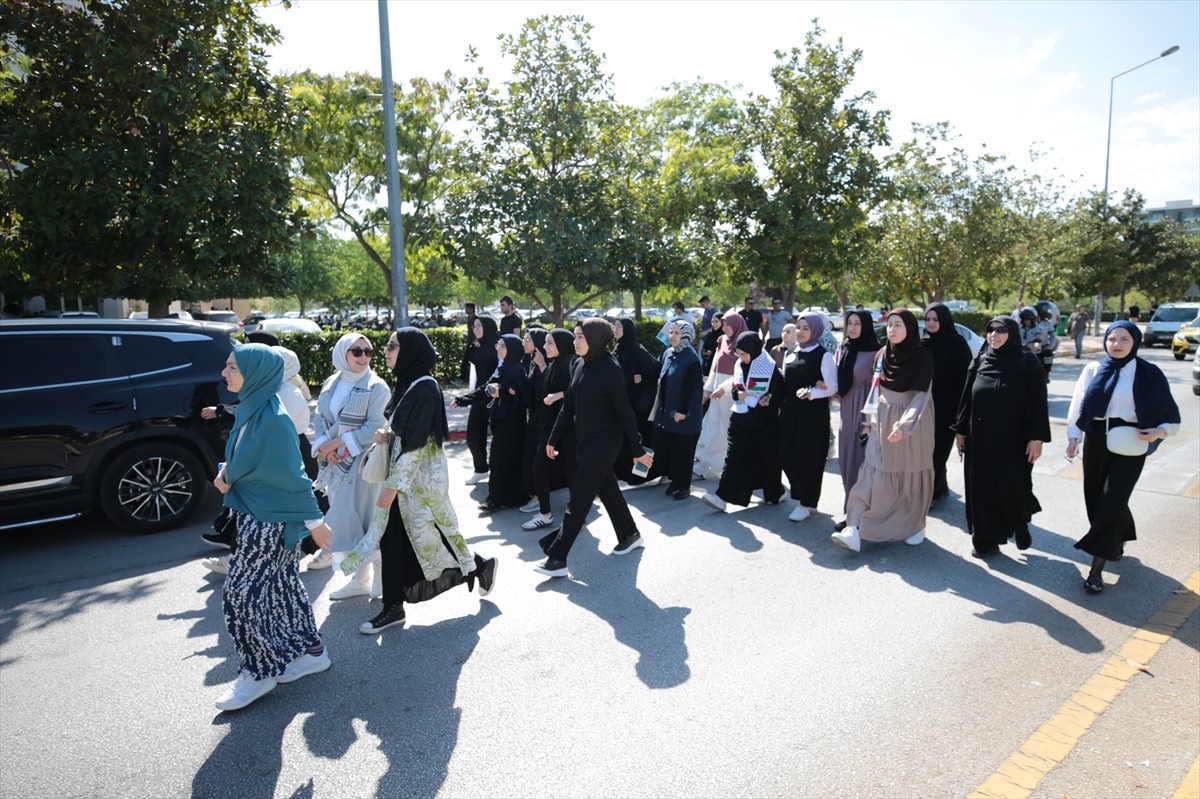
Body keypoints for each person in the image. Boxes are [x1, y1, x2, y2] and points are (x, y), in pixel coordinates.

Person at [348, 328, 497, 634]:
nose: (385, 351)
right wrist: (386, 435)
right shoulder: (408, 383)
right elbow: (404, 432)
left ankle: (479, 566)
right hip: (404, 482)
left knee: (431, 539)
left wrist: (391, 488)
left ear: (411, 351)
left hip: (419, 485)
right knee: (401, 543)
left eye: (392, 346)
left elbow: (417, 446)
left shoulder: (426, 388)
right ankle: (393, 607)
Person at [213, 344, 333, 711]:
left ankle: (260, 670)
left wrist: (316, 525)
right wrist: (227, 472)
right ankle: (313, 652)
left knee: (240, 596)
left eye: (232, 367)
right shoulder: (255, 408)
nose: (224, 372)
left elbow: (294, 477)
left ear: (257, 373)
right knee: (281, 586)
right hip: (257, 512)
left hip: (269, 520)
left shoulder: (275, 419)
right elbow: (249, 458)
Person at [1064, 321, 1180, 593]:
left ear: (1135, 342)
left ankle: (1096, 570)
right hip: (1097, 437)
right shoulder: (1093, 369)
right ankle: (1119, 534)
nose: (1117, 344)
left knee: (1113, 499)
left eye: (1124, 339)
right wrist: (1073, 437)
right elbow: (1078, 403)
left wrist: (1159, 431)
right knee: (1095, 496)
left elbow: (1170, 414)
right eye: (1112, 338)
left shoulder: (1149, 373)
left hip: (1131, 441)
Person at [536, 319, 654, 577]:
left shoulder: (610, 369)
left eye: (581, 337)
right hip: (585, 439)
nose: (576, 341)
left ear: (596, 338)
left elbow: (625, 412)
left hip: (605, 443)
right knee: (608, 489)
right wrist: (553, 439)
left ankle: (557, 557)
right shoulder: (579, 364)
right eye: (576, 336)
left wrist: (637, 449)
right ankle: (629, 533)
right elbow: (569, 407)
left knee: (578, 499)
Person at [832, 310, 935, 553]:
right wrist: (868, 420)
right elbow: (875, 390)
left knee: (908, 475)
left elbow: (922, 396)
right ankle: (854, 528)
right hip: (881, 419)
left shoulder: (922, 357)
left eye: (898, 325)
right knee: (871, 473)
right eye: (889, 325)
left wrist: (905, 425)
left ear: (909, 328)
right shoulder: (882, 355)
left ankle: (916, 525)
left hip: (912, 422)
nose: (892, 330)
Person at [953, 317, 1051, 557]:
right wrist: (960, 431)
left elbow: (1039, 403)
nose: (993, 335)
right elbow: (967, 398)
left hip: (1015, 441)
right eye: (990, 330)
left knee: (1013, 487)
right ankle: (984, 541)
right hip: (980, 439)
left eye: (1000, 330)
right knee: (981, 490)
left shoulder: (1027, 363)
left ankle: (1019, 523)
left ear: (1012, 334)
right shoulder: (980, 360)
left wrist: (1036, 438)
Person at [311, 333, 391, 599]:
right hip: (336, 466)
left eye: (368, 352)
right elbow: (320, 417)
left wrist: (337, 445)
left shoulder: (376, 386)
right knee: (344, 517)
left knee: (366, 518)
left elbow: (374, 427)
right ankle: (360, 578)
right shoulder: (331, 383)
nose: (364, 357)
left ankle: (380, 576)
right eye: (356, 351)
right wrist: (325, 444)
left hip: (363, 464)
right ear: (342, 353)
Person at [701, 331, 784, 511]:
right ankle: (721, 496)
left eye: (745, 354)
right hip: (741, 419)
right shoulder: (739, 365)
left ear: (754, 350)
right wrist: (735, 394)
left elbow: (779, 392)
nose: (742, 358)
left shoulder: (769, 367)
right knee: (734, 457)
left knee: (767, 460)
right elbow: (737, 387)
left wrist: (768, 399)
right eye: (739, 354)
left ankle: (775, 492)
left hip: (764, 423)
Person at [777, 312, 838, 522]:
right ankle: (804, 494)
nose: (801, 332)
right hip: (789, 412)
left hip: (813, 415)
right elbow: (785, 381)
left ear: (816, 330)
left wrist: (813, 392)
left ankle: (806, 502)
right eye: (799, 327)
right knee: (785, 454)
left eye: (806, 328)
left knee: (809, 459)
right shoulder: (790, 352)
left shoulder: (824, 355)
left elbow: (832, 387)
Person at [833, 309, 882, 531]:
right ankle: (850, 512)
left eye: (857, 324)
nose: (852, 328)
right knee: (846, 463)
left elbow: (879, 387)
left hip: (866, 413)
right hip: (846, 409)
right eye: (849, 323)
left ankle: (864, 516)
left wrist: (869, 421)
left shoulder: (877, 351)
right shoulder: (844, 348)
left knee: (864, 465)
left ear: (866, 326)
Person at [523, 328, 576, 531]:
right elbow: (543, 389)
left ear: (561, 344)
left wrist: (559, 395)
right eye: (544, 342)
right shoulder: (553, 364)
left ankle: (577, 511)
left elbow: (577, 388)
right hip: (549, 424)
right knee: (539, 466)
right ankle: (545, 513)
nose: (544, 347)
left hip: (566, 425)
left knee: (572, 468)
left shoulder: (572, 363)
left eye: (549, 343)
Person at [923, 303, 973, 501]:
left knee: (937, 452)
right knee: (926, 451)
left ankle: (933, 492)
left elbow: (966, 379)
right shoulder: (923, 343)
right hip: (925, 406)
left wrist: (963, 414)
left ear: (944, 320)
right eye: (928, 319)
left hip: (948, 409)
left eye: (935, 319)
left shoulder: (956, 343)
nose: (931, 323)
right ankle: (939, 487)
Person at [649, 320, 703, 500]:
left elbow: (692, 389)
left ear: (686, 336)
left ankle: (683, 486)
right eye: (671, 332)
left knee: (683, 452)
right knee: (664, 446)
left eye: (676, 333)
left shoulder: (691, 358)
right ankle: (674, 479)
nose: (671, 336)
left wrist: (682, 411)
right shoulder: (669, 353)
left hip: (683, 414)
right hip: (666, 412)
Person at [478, 333, 530, 512]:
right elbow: (489, 386)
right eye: (498, 345)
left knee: (502, 459)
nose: (498, 349)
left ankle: (497, 499)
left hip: (513, 422)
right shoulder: (503, 367)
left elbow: (523, 397)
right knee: (499, 458)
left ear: (512, 349)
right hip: (501, 419)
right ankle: (501, 497)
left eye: (502, 346)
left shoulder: (517, 369)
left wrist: (505, 393)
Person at [693, 311, 748, 481]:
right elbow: (715, 367)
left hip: (733, 391)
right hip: (718, 390)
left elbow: (743, 373)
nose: (725, 328)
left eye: (727, 324)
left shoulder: (744, 343)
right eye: (723, 324)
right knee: (711, 424)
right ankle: (703, 462)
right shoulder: (721, 340)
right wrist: (709, 388)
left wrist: (725, 388)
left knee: (726, 430)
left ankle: (723, 465)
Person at [453, 316, 500, 484]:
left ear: (488, 326)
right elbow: (469, 370)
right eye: (474, 326)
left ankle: (501, 472)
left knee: (499, 438)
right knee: (473, 436)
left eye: (479, 325)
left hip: (496, 395)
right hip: (479, 395)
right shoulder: (475, 345)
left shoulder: (497, 344)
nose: (476, 328)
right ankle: (481, 469)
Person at [613, 317, 658, 483]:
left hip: (638, 407)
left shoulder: (638, 350)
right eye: (615, 326)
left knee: (641, 440)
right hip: (624, 405)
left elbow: (656, 370)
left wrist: (642, 377)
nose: (615, 329)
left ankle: (642, 475)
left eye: (619, 326)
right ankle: (623, 473)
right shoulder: (617, 350)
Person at [519, 328, 550, 513]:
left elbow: (550, 387)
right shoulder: (530, 361)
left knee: (538, 461)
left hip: (546, 418)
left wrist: (543, 366)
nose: (524, 342)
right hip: (535, 416)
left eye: (528, 339)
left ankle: (541, 500)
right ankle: (536, 495)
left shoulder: (545, 362)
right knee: (530, 457)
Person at [458, 302, 478, 383]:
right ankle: (463, 377)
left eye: (467, 308)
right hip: (469, 342)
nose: (466, 310)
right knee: (465, 360)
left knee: (473, 360)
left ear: (471, 309)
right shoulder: (468, 318)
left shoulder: (476, 319)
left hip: (474, 343)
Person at [700, 311, 724, 376]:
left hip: (720, 368)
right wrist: (705, 353)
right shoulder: (710, 334)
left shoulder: (725, 336)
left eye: (716, 321)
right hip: (709, 367)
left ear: (722, 322)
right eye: (712, 321)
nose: (713, 324)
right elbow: (704, 349)